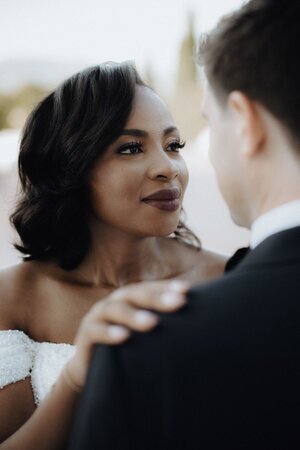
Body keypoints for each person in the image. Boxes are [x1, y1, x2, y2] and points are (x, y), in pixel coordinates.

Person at [69, 1, 300, 449]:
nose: (169, 168)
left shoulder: (147, 344)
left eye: (182, 142)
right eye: (131, 149)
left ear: (246, 121)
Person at [0, 62, 226, 448]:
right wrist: (77, 377)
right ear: (71, 166)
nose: (167, 168)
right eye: (131, 148)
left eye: (173, 145)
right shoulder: (15, 296)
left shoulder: (226, 279)